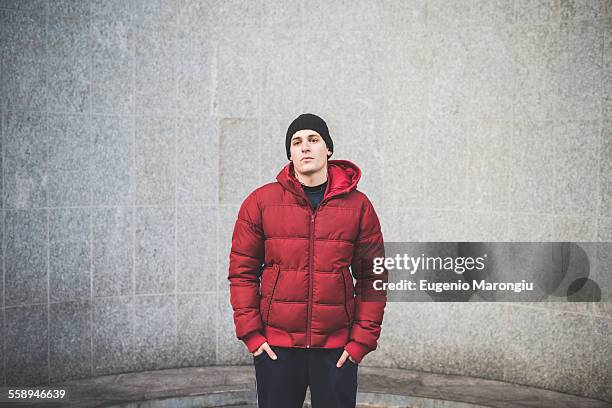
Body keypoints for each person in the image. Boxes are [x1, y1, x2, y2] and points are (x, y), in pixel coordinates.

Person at [228, 113, 388, 408]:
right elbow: (242, 273)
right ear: (289, 153)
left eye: (313, 140)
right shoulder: (260, 203)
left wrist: (359, 342)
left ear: (328, 148)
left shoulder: (359, 206)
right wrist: (252, 336)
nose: (305, 147)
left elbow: (373, 278)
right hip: (276, 347)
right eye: (296, 142)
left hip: (337, 348)